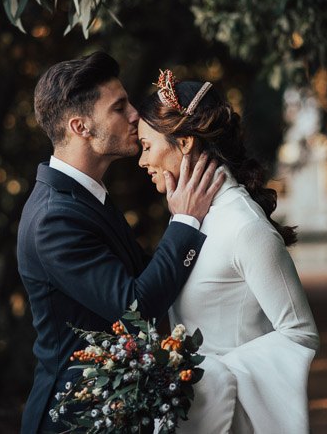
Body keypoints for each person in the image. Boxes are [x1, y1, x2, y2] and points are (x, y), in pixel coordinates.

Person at [17, 53, 225, 434]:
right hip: (74, 419)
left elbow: (146, 273)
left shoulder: (85, 196)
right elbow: (136, 307)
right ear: (80, 126)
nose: (135, 115)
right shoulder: (53, 219)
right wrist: (185, 221)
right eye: (119, 107)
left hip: (115, 408)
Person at [138, 69, 320, 434]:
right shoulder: (188, 218)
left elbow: (299, 333)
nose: (142, 161)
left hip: (231, 417)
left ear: (185, 142)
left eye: (146, 146)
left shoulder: (245, 227)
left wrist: (214, 377)